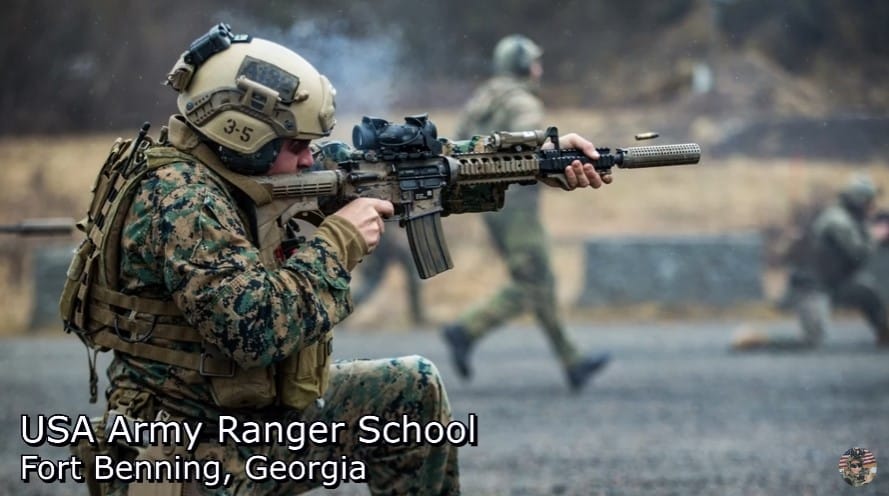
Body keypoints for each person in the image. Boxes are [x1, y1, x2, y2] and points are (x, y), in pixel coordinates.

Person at [61, 24, 611, 495]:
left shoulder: (238, 169)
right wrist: (337, 243)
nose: (310, 160)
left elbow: (401, 172)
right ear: (245, 135)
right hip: (178, 451)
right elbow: (255, 332)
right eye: (297, 146)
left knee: (411, 393)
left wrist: (532, 161)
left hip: (240, 420)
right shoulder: (181, 198)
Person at [440, 34, 610, 391]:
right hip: (517, 205)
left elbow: (459, 144)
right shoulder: (521, 101)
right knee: (533, 280)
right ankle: (466, 330)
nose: (539, 69)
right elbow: (532, 147)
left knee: (540, 280)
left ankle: (572, 361)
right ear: (524, 66)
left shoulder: (484, 98)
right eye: (535, 62)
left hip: (490, 202)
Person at [733, 174, 889, 350]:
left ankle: (884, 334)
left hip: (835, 284)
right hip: (811, 286)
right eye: (869, 201)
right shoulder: (837, 220)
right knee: (812, 341)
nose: (872, 206)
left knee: (867, 291)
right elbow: (858, 253)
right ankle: (757, 340)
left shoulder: (851, 219)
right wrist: (875, 235)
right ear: (859, 200)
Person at [351, 231, 427, 326]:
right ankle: (342, 308)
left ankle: (417, 315)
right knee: (370, 285)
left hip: (390, 242)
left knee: (414, 280)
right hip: (384, 242)